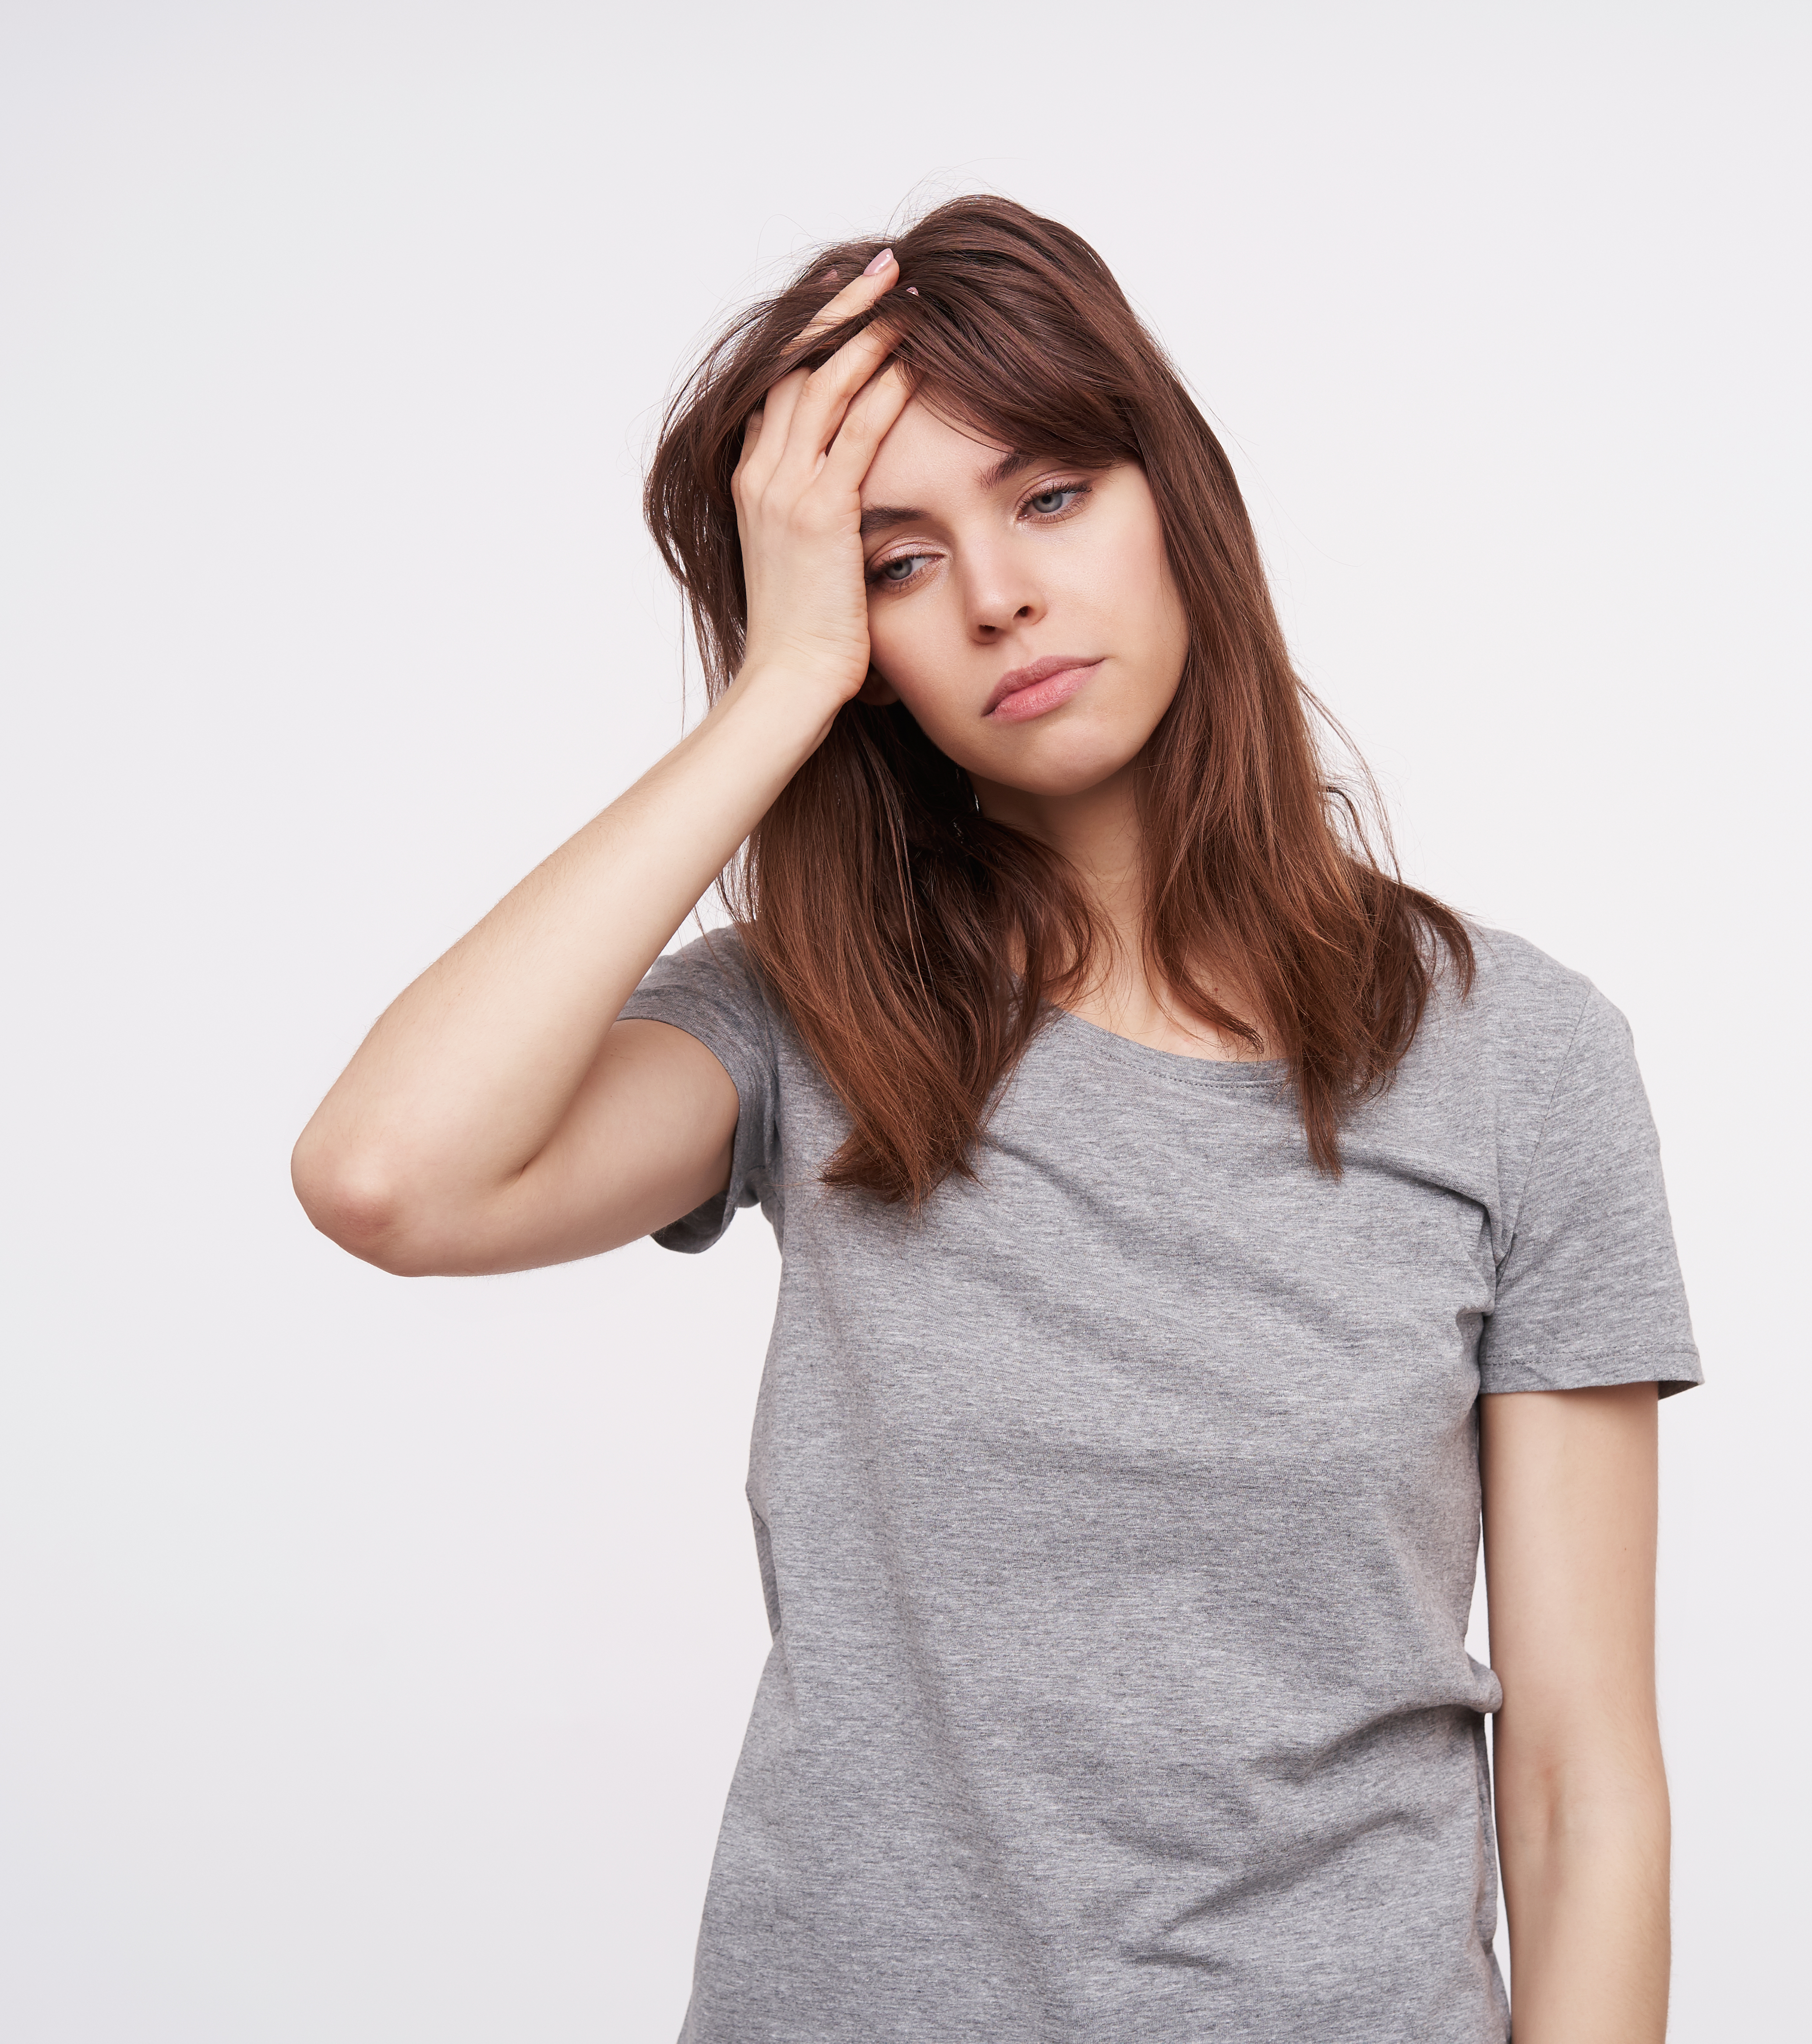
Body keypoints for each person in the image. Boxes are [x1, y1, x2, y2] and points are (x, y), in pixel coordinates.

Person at [292, 194, 1699, 2044]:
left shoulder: (1515, 1058)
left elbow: (1582, 1787)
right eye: (891, 563)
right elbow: (389, 1175)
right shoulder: (803, 1029)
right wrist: (777, 688)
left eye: (1048, 498)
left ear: (1172, 499)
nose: (996, 596)